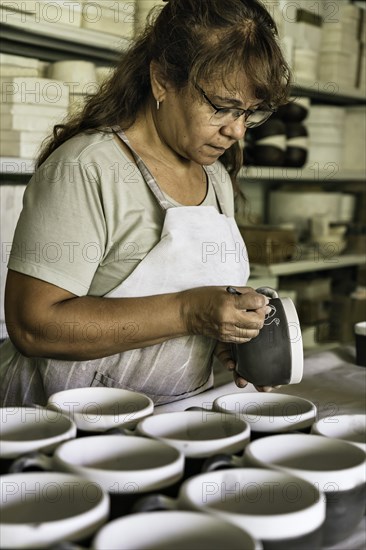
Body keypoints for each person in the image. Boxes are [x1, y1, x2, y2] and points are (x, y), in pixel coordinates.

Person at [1, 0, 290, 407]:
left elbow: (199, 309)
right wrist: (190, 313)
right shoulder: (88, 168)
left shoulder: (215, 176)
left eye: (250, 112)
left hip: (171, 418)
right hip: (63, 425)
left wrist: (227, 334)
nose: (236, 130)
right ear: (162, 80)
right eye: (221, 107)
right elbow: (34, 327)